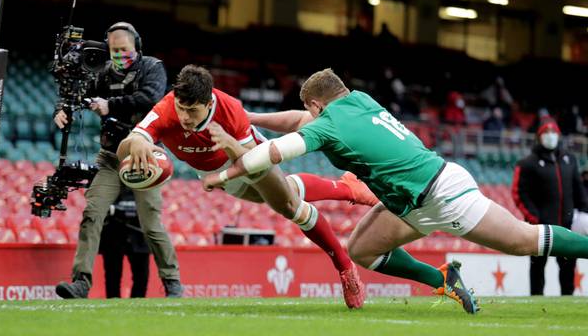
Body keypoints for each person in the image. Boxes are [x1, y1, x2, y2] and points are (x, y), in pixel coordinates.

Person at [204, 68, 588, 314]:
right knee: (362, 250)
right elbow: (298, 121)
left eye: (311, 111)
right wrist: (249, 117)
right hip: (411, 202)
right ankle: (445, 282)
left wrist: (225, 175)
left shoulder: (327, 125)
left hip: (443, 193)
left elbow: (273, 152)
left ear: (318, 105)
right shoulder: (358, 101)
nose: (309, 118)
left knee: (524, 241)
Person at [117, 65, 378, 309]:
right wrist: (135, 141)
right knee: (282, 194)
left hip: (248, 155)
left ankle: (345, 267)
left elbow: (249, 161)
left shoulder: (230, 110)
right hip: (214, 169)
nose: (184, 117)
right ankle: (347, 187)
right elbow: (123, 150)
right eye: (180, 109)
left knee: (289, 207)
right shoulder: (166, 109)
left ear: (208, 104)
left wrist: (230, 147)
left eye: (192, 111)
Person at [54, 22, 182, 299]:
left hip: (144, 156)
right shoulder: (103, 71)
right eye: (114, 50)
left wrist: (111, 105)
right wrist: (63, 109)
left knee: (150, 224)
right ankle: (81, 282)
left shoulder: (152, 67)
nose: (119, 55)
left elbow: (151, 97)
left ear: (136, 45)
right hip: (111, 158)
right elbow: (78, 93)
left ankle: (172, 282)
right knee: (92, 213)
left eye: (124, 49)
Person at [512, 117, 588, 295]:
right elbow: (518, 193)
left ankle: (568, 301)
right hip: (540, 229)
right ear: (539, 136)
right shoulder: (527, 163)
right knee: (538, 268)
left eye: (553, 131)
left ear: (559, 135)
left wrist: (583, 211)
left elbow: (578, 188)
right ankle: (536, 301)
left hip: (567, 226)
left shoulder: (570, 159)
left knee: (568, 268)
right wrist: (534, 218)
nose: (550, 135)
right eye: (546, 132)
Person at [99, 186, 150, 298]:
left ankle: (138, 305)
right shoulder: (110, 177)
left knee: (142, 276)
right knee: (112, 275)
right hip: (113, 232)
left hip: (139, 232)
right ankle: (112, 304)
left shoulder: (145, 179)